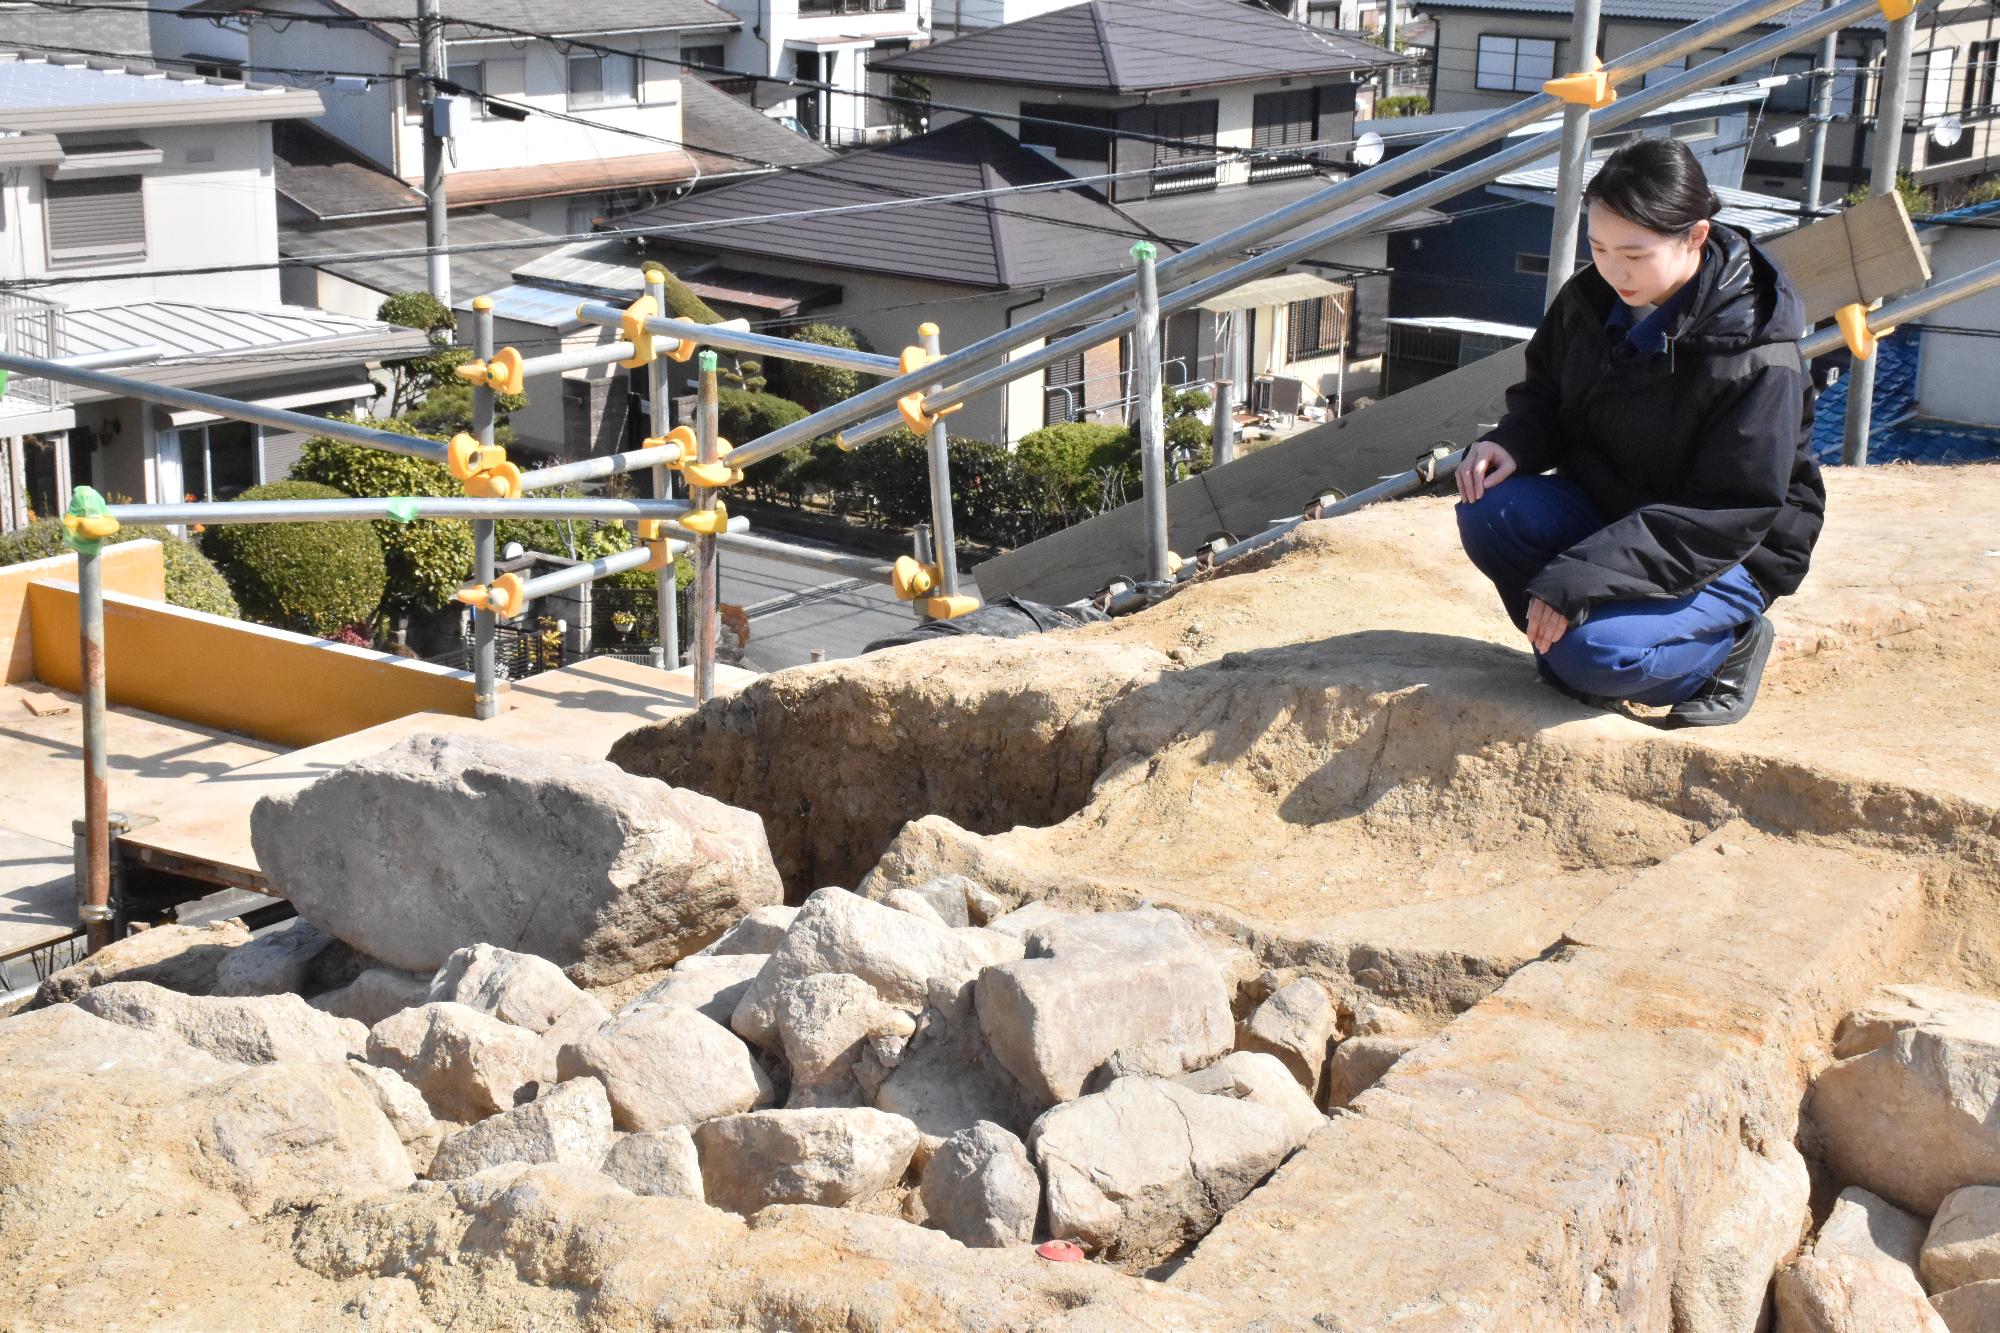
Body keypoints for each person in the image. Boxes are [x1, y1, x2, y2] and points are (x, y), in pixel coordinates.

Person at [1453, 137, 1824, 727]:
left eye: (1635, 253)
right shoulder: (1589, 299)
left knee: (1596, 655)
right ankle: (1568, 647)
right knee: (1489, 505)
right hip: (1616, 515)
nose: (1613, 269)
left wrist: (1580, 574)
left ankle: (1724, 649)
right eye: (1597, 247)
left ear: (1696, 238)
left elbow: (1732, 508)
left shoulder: (1757, 355)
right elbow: (1547, 394)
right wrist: (1513, 441)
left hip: (1727, 551)